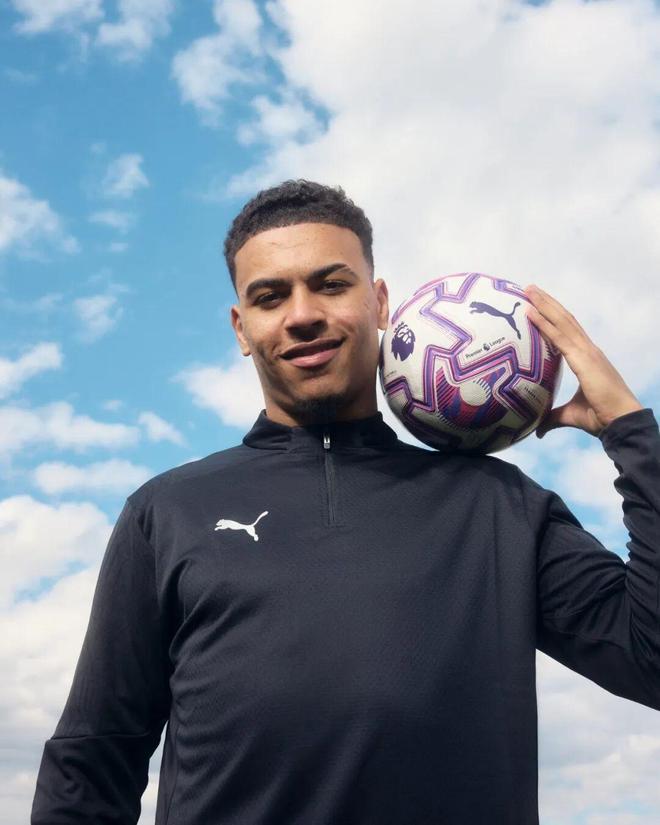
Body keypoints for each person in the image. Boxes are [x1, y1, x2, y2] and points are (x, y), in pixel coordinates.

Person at [31, 179, 659, 825]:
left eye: (331, 284)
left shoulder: (501, 508)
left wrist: (631, 432)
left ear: (381, 302)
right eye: (270, 296)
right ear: (242, 328)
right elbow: (92, 763)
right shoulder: (167, 511)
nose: (302, 314)